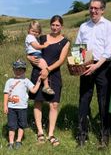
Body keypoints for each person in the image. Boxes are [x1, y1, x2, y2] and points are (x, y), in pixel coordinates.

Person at [75, 0, 111, 147]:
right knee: (84, 101)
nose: (93, 11)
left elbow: (108, 51)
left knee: (103, 102)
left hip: (103, 67)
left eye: (96, 8)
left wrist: (96, 66)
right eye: (91, 8)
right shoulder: (83, 26)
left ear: (102, 10)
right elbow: (78, 47)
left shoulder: (110, 26)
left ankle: (104, 137)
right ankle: (81, 136)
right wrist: (79, 65)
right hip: (86, 66)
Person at [27, 15, 70, 146]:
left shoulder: (65, 42)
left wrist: (48, 69)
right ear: (50, 25)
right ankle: (40, 132)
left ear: (61, 26)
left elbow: (61, 60)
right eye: (53, 24)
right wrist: (28, 57)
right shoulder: (42, 38)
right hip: (38, 72)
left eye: (58, 25)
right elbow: (31, 49)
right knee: (38, 101)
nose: (55, 27)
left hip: (54, 74)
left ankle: (51, 134)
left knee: (54, 104)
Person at [3, 59, 41, 150]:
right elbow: (6, 94)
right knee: (12, 126)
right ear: (13, 70)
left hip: (23, 108)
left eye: (21, 70)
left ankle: (19, 141)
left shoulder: (26, 81)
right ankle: (11, 143)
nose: (18, 72)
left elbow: (34, 90)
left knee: (21, 125)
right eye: (16, 69)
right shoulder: (9, 81)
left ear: (24, 70)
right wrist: (5, 105)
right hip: (11, 108)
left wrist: (39, 81)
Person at [25, 20, 55, 95]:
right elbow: (36, 46)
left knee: (44, 68)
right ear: (29, 30)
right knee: (45, 68)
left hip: (36, 55)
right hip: (35, 55)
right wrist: (44, 45)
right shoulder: (30, 36)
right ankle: (46, 86)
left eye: (37, 32)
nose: (35, 33)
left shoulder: (34, 37)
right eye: (33, 31)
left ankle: (44, 83)